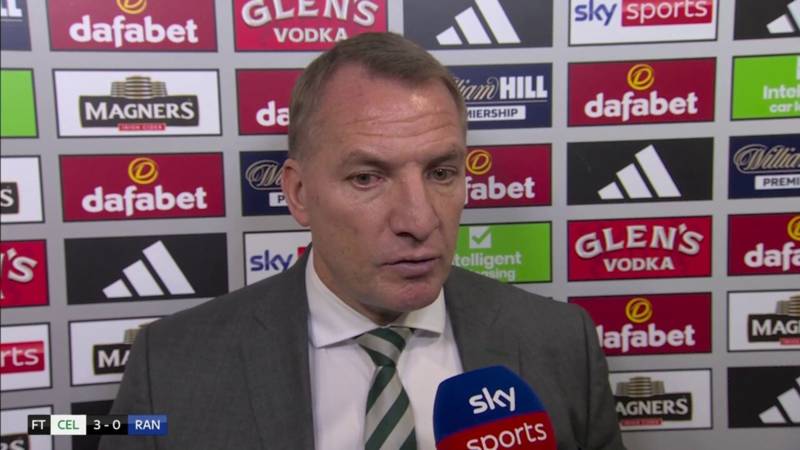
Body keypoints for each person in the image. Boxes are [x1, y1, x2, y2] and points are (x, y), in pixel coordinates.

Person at [102, 32, 625, 450]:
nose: (419, 219)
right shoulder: (170, 366)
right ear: (299, 194)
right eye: (367, 178)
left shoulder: (561, 344)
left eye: (441, 172)